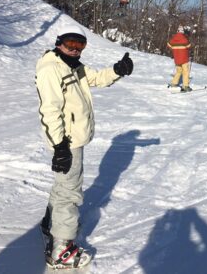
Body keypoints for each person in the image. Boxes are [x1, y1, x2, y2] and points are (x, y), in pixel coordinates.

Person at [35, 24, 133, 269]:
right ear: (59, 42)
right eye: (71, 44)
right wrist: (59, 147)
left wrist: (117, 70)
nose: (76, 50)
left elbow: (96, 78)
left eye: (81, 45)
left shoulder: (73, 65)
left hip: (72, 138)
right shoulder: (51, 69)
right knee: (70, 190)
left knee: (63, 184)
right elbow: (50, 111)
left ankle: (51, 225)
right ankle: (61, 248)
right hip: (65, 141)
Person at [167, 25, 192, 92]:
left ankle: (174, 83)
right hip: (184, 59)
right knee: (185, 72)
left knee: (178, 72)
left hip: (177, 59)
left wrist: (174, 49)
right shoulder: (184, 39)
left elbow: (169, 45)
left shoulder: (173, 39)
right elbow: (189, 46)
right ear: (183, 32)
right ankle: (185, 86)